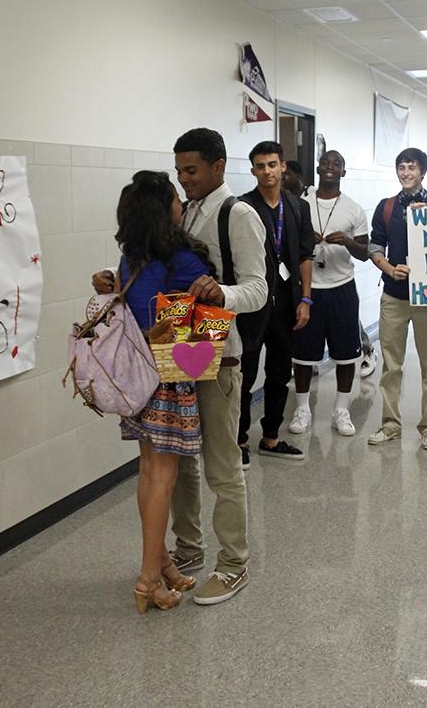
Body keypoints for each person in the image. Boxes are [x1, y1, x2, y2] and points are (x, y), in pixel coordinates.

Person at [168, 128, 268, 603]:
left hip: (221, 352)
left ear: (218, 166)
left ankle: (233, 564)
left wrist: (221, 293)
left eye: (191, 170)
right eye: (179, 171)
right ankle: (188, 549)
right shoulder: (182, 212)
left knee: (222, 465)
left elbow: (258, 288)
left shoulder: (238, 214)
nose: (183, 179)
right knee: (179, 456)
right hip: (179, 344)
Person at [115, 170, 209, 614]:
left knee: (148, 473)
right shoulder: (184, 263)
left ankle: (166, 566)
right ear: (164, 209)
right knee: (163, 479)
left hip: (136, 379)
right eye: (174, 196)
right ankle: (148, 580)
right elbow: (203, 329)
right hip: (170, 380)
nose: (179, 201)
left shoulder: (131, 259)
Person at [237, 141, 314, 465]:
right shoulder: (242, 207)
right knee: (244, 374)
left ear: (283, 166)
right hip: (252, 307)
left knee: (280, 373)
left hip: (286, 304)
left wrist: (306, 298)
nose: (267, 171)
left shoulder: (297, 207)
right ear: (253, 170)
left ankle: (270, 437)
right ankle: (238, 441)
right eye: (260, 166)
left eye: (272, 164)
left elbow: (305, 255)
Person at [367, 148, 427, 450]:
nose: (405, 173)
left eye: (411, 168)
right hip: (394, 296)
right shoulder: (386, 207)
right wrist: (389, 268)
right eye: (401, 167)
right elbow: (374, 247)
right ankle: (390, 424)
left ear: (423, 171)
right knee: (391, 365)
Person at [288, 150, 369, 436]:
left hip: (341, 288)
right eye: (326, 163)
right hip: (309, 289)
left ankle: (341, 410)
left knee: (346, 354)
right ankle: (302, 408)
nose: (330, 167)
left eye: (337, 164)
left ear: (343, 172)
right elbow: (289, 245)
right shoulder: (300, 203)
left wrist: (347, 242)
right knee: (303, 354)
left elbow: (365, 253)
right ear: (318, 168)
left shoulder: (353, 209)